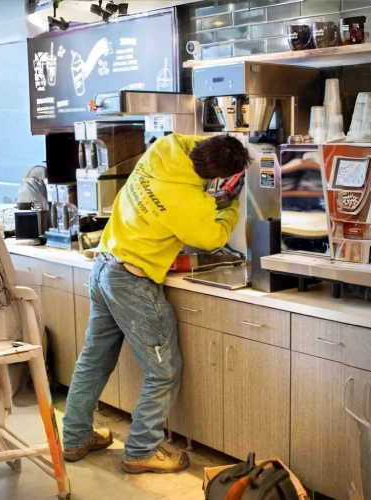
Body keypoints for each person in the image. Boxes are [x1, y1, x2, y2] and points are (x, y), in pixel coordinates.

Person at [62, 134, 250, 473]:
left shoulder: (166, 148)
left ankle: (75, 438)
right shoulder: (188, 200)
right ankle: (140, 451)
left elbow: (188, 183)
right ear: (217, 177)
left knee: (94, 360)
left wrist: (213, 190)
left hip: (105, 262)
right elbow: (211, 238)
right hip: (132, 280)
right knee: (164, 371)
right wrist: (232, 204)